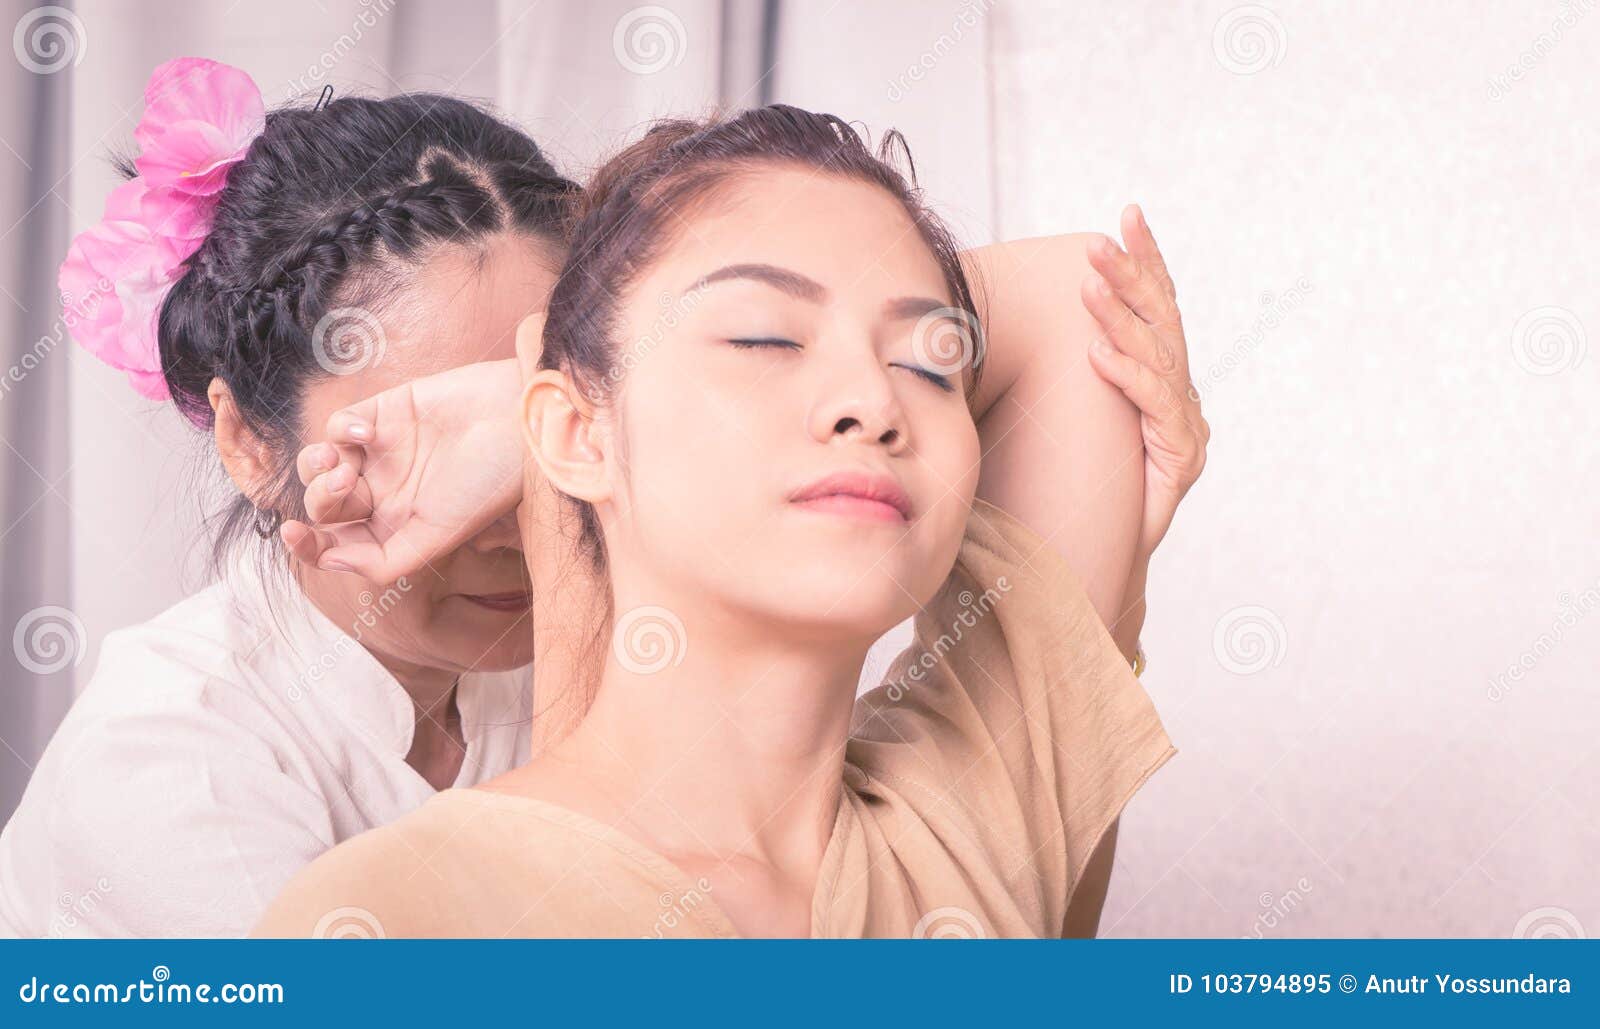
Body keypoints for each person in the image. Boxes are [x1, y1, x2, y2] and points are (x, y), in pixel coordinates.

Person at [253, 105, 1207, 938]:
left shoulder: (972, 825)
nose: (871, 401)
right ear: (575, 431)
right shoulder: (394, 920)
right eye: (764, 336)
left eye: (929, 359)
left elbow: (1085, 303)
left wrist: (551, 404)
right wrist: (560, 398)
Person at [0, 58, 573, 937]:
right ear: (249, 441)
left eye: (536, 416)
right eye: (423, 440)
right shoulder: (171, 763)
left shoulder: (586, 647)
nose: (509, 519)